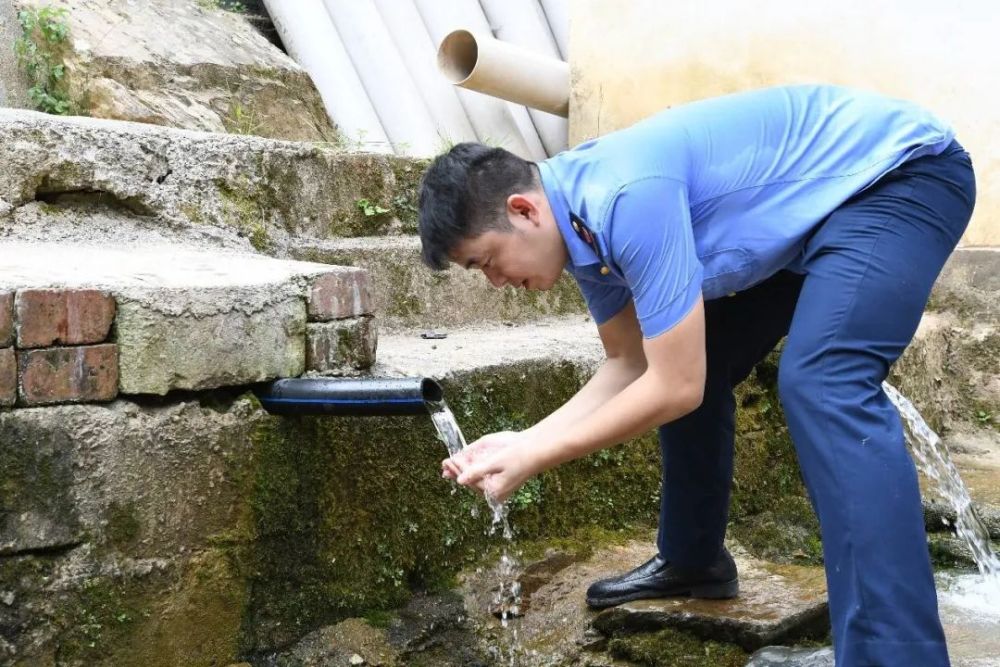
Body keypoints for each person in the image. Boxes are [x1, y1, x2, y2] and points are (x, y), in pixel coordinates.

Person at [417, 84, 975, 667]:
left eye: (486, 262)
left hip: (900, 178)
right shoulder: (577, 228)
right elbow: (633, 365)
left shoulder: (624, 198)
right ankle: (694, 561)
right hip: (814, 219)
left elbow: (674, 387)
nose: (496, 283)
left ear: (523, 211)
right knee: (688, 347)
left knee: (824, 381)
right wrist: (525, 440)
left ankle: (897, 656)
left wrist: (540, 457)